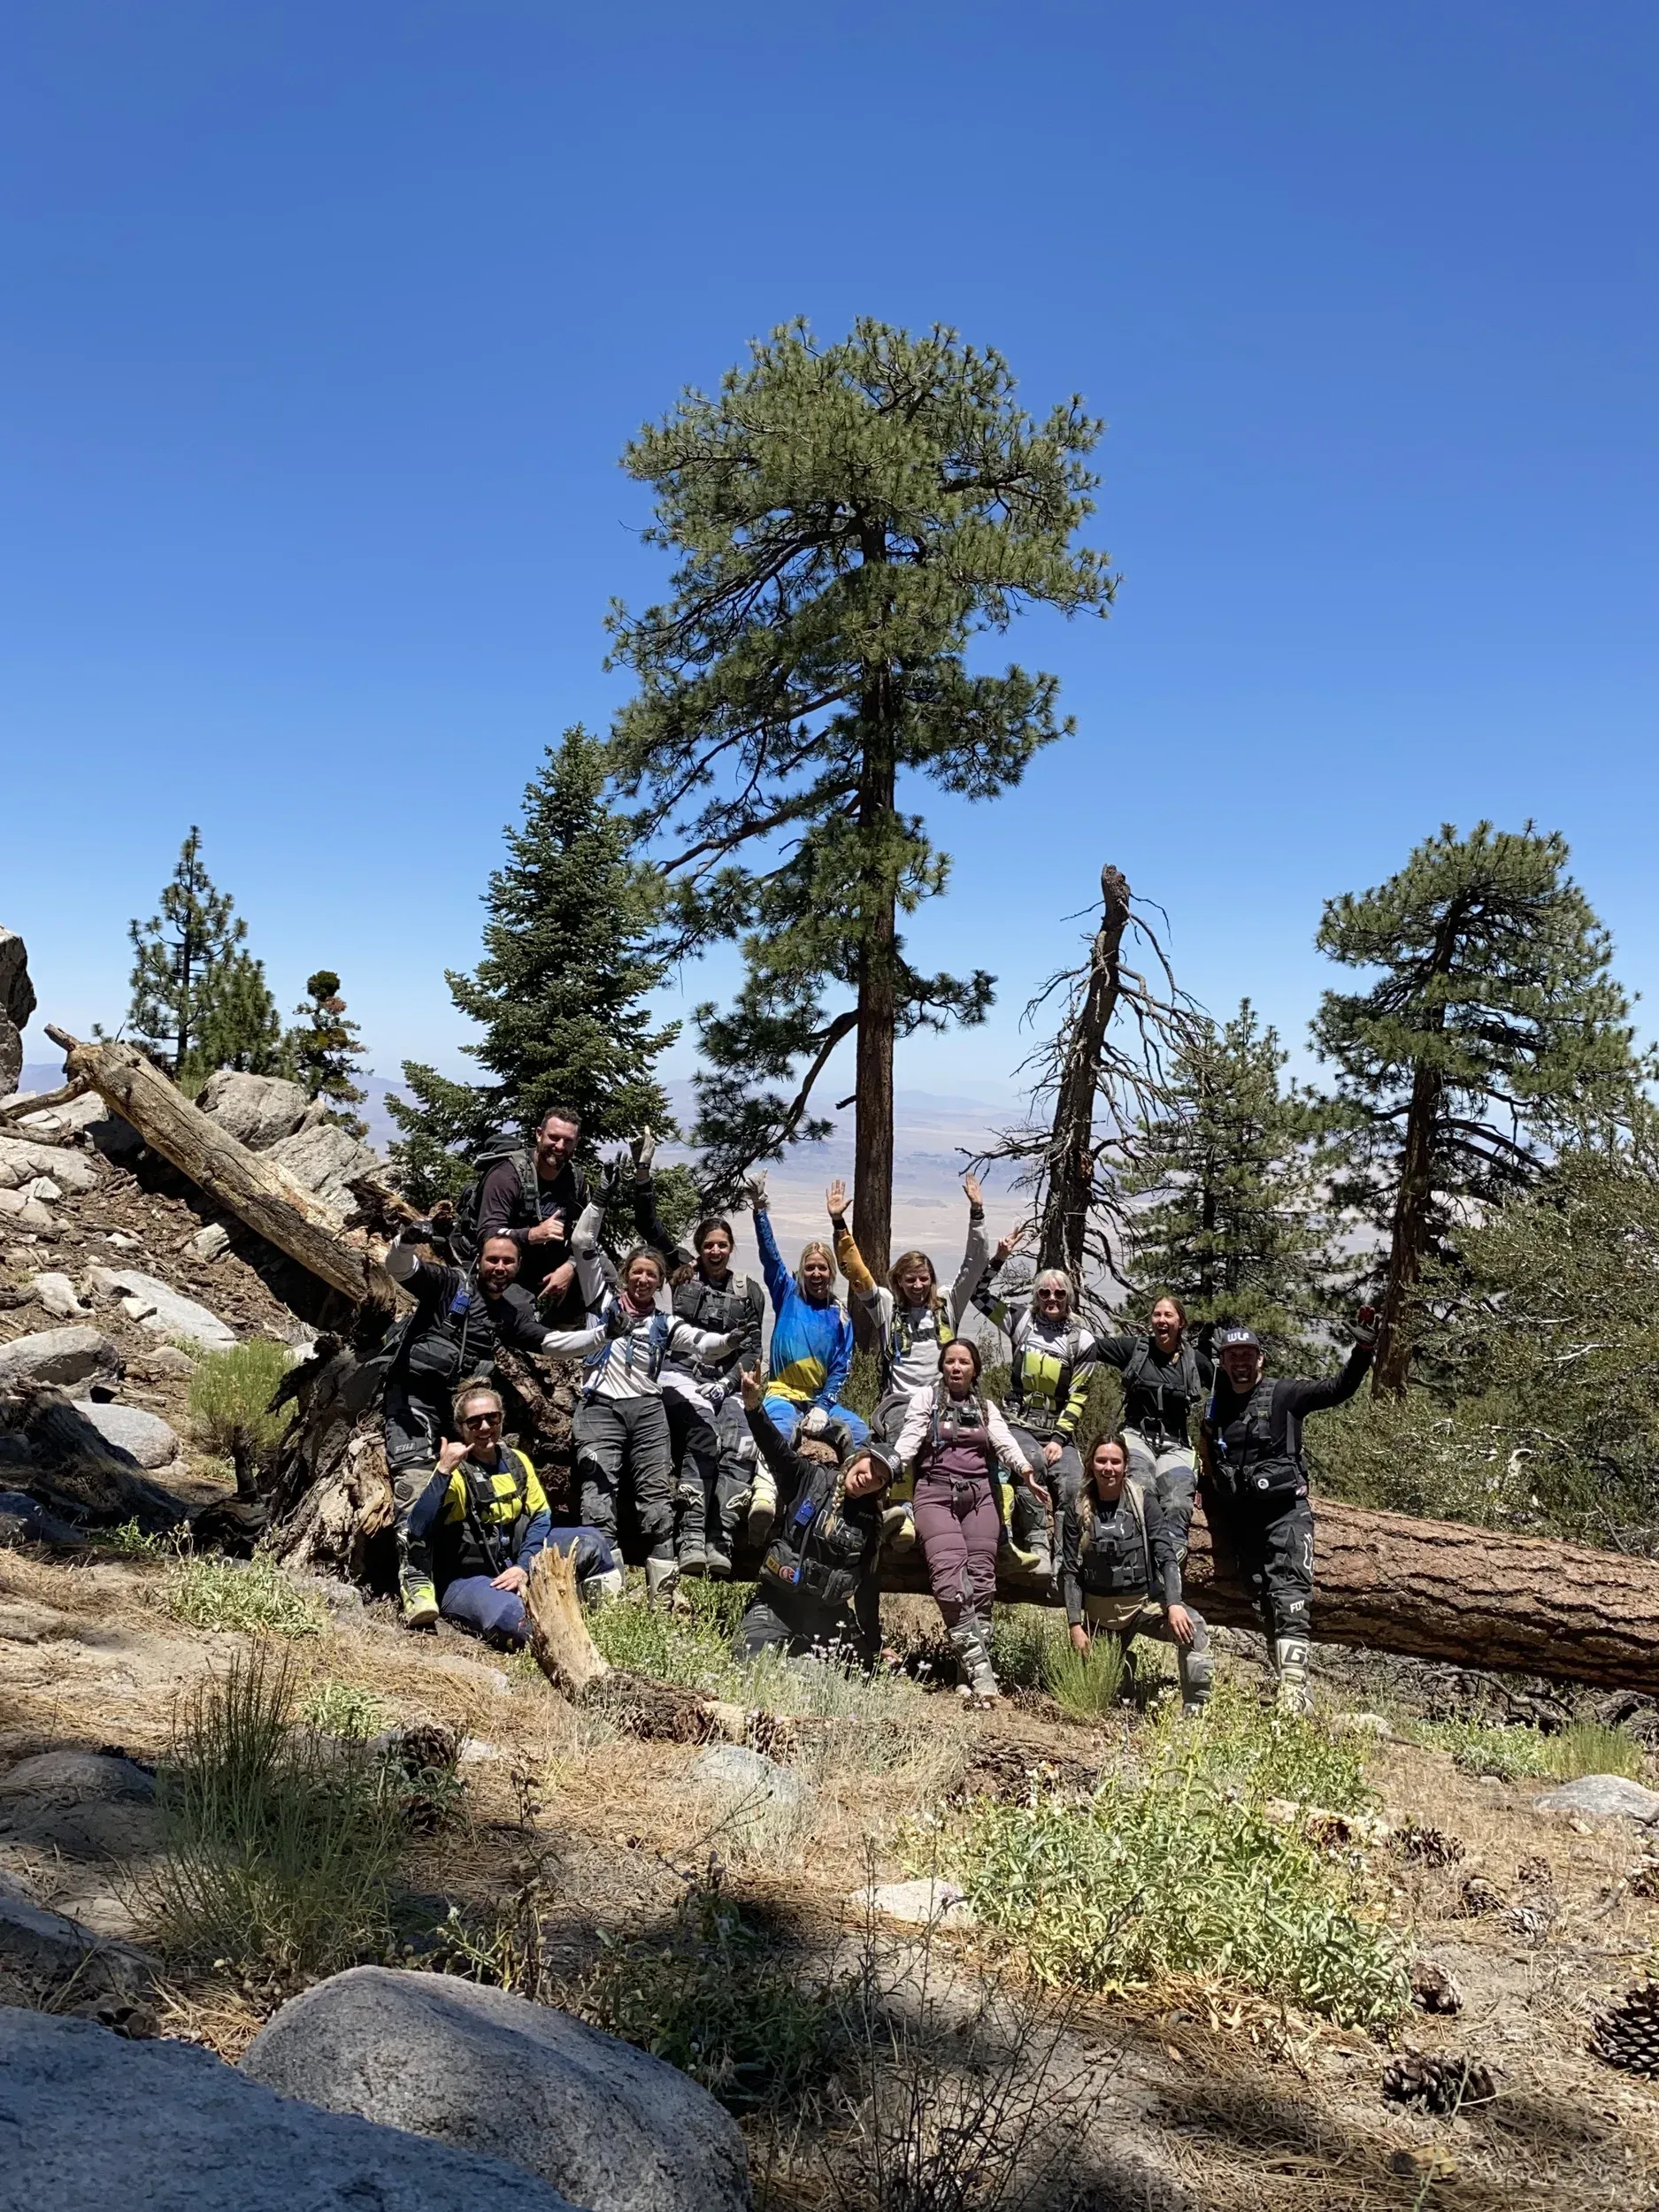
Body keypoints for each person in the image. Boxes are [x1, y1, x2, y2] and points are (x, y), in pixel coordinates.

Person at [382, 1222, 605, 1626]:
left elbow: (552, 1343)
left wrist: (603, 1335)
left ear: (517, 1267)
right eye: (492, 1259)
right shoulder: (448, 1284)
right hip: (411, 1404)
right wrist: (407, 1239)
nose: (499, 1267)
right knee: (414, 1489)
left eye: (508, 1261)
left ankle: (488, 1569)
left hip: (460, 1414)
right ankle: (417, 1584)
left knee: (476, 1490)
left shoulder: (506, 1315)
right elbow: (400, 1268)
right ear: (479, 1261)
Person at [1199, 1308, 1378, 1712]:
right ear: (1223, 1362)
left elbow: (1337, 1388)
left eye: (1247, 1355)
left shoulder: (1284, 1395)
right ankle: (1287, 1682)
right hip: (1243, 1521)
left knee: (1290, 1597)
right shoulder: (1217, 1407)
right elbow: (1210, 1459)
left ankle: (1295, 1692)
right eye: (1232, 1356)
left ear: (1260, 1359)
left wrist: (1363, 1350)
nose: (1240, 1362)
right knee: (1261, 1598)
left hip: (1285, 1514)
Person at [572, 1239, 747, 1600]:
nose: (643, 1279)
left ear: (660, 1281)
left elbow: (704, 1343)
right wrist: (603, 1196)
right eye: (637, 1271)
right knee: (597, 1499)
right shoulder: (600, 1302)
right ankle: (604, 1600)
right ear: (625, 1275)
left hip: (648, 1412)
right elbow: (580, 1243)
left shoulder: (665, 1324)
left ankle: (664, 1599)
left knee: (657, 1502)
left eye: (651, 1274)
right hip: (599, 1408)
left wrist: (731, 1340)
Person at [630, 1141, 766, 1579]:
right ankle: (691, 1535)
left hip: (725, 1382)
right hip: (678, 1376)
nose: (716, 1251)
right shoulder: (680, 1271)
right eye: (708, 1244)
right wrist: (643, 1172)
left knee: (742, 1444)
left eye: (723, 1244)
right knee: (702, 1436)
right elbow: (647, 1224)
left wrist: (728, 1386)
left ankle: (720, 1537)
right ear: (698, 1247)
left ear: (731, 1248)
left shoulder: (748, 1291)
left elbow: (752, 1348)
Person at [407, 1382, 620, 1647]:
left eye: (491, 1418)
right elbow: (418, 1525)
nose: (485, 1427)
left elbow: (541, 1516)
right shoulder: (455, 1473)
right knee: (517, 1620)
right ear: (461, 1428)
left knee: (592, 1543)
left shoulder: (516, 1460)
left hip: (516, 1561)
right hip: (468, 1578)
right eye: (474, 1422)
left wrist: (524, 1565)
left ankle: (597, 1624)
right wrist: (443, 1472)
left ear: (501, 1418)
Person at [891, 1338, 1044, 1699]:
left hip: (980, 1497)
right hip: (935, 1494)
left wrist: (1024, 1470)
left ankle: (966, 1673)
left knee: (982, 1584)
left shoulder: (986, 1407)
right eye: (950, 1362)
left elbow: (1004, 1441)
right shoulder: (926, 1401)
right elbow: (909, 1441)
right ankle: (983, 1676)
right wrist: (891, 1466)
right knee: (950, 1581)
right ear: (942, 1367)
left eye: (964, 1362)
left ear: (975, 1369)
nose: (956, 1368)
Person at [731, 1363, 895, 1666]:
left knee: (863, 1673)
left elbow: (867, 1591)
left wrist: (874, 1644)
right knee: (746, 1661)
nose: (869, 1478)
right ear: (858, 1458)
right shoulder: (809, 1478)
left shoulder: (871, 1523)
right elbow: (775, 1448)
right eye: (870, 1467)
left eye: (880, 1479)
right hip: (776, 1605)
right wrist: (754, 1407)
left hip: (828, 1616)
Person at [830, 1175, 1010, 1440]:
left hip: (944, 1401)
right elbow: (857, 1274)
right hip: (899, 1405)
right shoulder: (886, 1307)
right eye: (910, 1279)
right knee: (906, 1445)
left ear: (932, 1279)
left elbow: (974, 1264)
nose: (917, 1285)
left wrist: (977, 1213)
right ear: (899, 1281)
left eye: (923, 1278)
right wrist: (838, 1223)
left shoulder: (948, 1304)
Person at [741, 1174, 865, 1542]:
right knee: (776, 1430)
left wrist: (825, 1406)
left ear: (831, 1273)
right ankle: (764, 1496)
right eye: (809, 1267)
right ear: (802, 1271)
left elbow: (842, 1367)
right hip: (781, 1392)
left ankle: (859, 1505)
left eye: (822, 1268)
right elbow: (769, 1254)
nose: (815, 1273)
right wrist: (760, 1208)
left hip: (819, 1402)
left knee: (858, 1432)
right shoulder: (786, 1293)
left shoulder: (840, 1314)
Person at [1063, 1435, 1213, 1715]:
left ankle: (1196, 1712)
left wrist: (1175, 1603)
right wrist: (1075, 1625)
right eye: (1101, 1461)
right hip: (1099, 1616)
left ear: (1126, 1465)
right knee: (1108, 1695)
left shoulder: (1144, 1502)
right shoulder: (1076, 1507)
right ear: (1091, 1465)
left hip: (1144, 1604)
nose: (1108, 1468)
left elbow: (1166, 1556)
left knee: (1195, 1630)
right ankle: (1122, 1667)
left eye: (1115, 1462)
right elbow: (1070, 1571)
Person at [972, 1262, 1102, 1582]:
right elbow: (978, 1295)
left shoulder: (1082, 1340)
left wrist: (1059, 1440)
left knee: (1073, 1482)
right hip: (1018, 1422)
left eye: (1059, 1293)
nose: (1051, 1299)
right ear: (1036, 1295)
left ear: (1069, 1296)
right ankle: (1038, 1545)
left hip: (1058, 1431)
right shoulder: (1021, 1320)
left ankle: (1065, 1557)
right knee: (1031, 1462)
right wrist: (999, 1259)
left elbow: (1079, 1395)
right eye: (1044, 1292)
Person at [1093, 1295, 1213, 1538]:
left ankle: (1171, 1560)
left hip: (1176, 1444)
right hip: (1136, 1436)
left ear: (1181, 1323)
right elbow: (1091, 1346)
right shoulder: (1136, 1350)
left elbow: (1225, 1391)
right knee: (1142, 1489)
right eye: (1157, 1315)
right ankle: (1140, 1551)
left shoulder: (1195, 1362)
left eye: (1168, 1315)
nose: (1161, 1320)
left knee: (1178, 1501)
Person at [462, 1104, 590, 1324]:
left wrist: (570, 1267)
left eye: (568, 1141)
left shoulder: (575, 1180)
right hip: (502, 1266)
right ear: (539, 1135)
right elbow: (487, 1234)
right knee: (518, 1316)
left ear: (576, 1144)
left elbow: (587, 1235)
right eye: (554, 1137)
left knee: (602, 1273)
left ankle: (566, 1338)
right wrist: (531, 1234)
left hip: (545, 1267)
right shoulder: (506, 1175)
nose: (559, 1146)